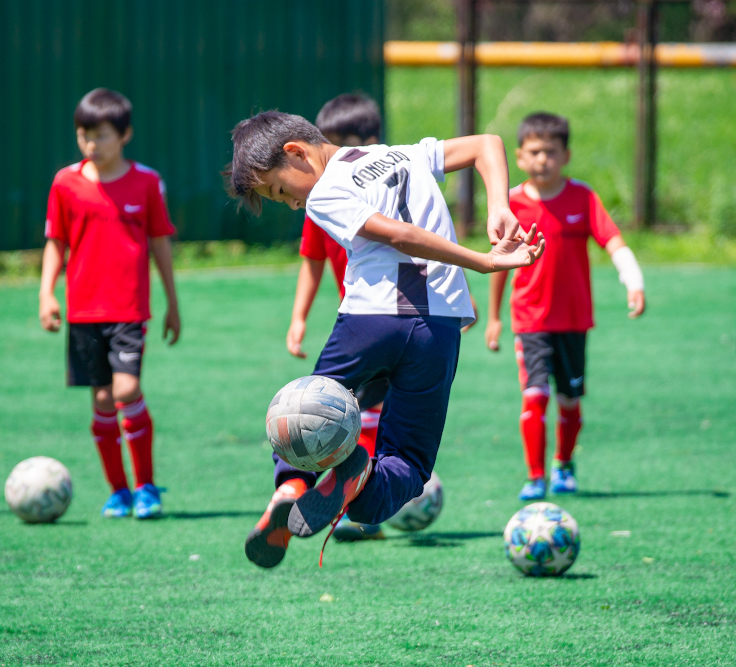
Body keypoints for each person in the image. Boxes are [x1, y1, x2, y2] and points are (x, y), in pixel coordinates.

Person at [225, 111, 544, 568]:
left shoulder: (325, 193)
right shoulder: (399, 154)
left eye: (279, 190)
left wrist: (483, 262)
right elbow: (487, 144)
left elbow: (400, 235)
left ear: (295, 152)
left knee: (304, 408)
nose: (292, 204)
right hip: (437, 326)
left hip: (369, 320)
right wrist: (500, 207)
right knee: (409, 465)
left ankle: (291, 485)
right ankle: (359, 486)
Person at [484, 112, 645, 501]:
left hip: (573, 321)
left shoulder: (583, 198)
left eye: (551, 152)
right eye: (535, 152)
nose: (543, 159)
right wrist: (493, 317)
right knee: (535, 395)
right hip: (530, 319)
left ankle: (564, 465)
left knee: (569, 400)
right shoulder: (513, 205)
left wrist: (634, 280)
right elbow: (499, 264)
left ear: (566, 155)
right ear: (520, 157)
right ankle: (535, 477)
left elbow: (613, 240)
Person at [39, 88, 180, 520]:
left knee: (126, 389)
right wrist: (46, 292)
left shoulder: (146, 182)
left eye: (100, 135)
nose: (91, 144)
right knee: (101, 399)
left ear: (125, 135)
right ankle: (119, 491)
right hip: (83, 312)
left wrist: (172, 302)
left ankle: (146, 486)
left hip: (129, 310)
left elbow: (160, 243)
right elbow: (55, 242)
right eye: (84, 135)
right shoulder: (65, 182)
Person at [286, 94, 387, 542]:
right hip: (359, 322)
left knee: (365, 412)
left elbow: (422, 240)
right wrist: (298, 318)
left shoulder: (386, 189)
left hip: (394, 317)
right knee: (350, 411)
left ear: (374, 143)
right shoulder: (319, 201)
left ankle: (355, 503)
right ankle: (354, 504)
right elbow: (310, 260)